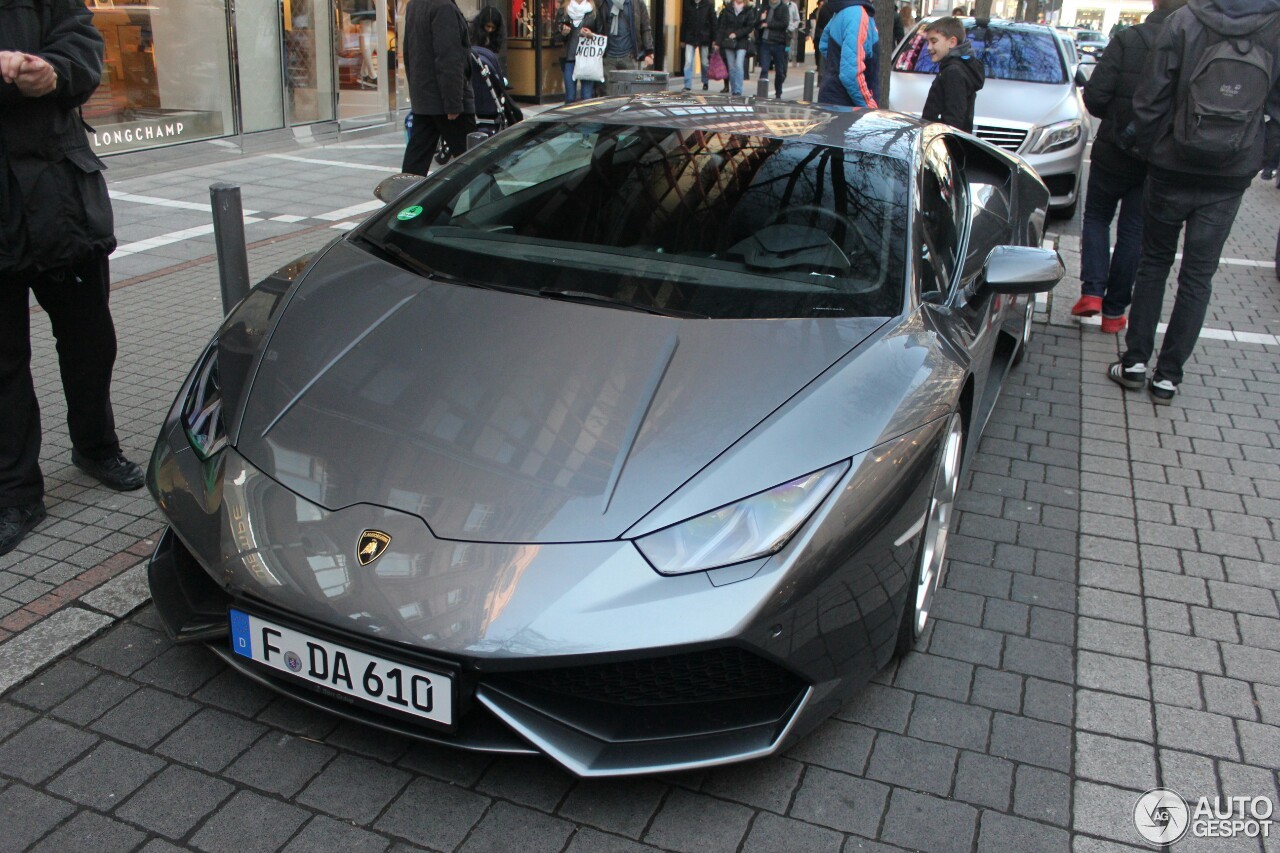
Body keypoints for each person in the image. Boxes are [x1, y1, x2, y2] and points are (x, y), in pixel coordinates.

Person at [1, 0, 147, 556]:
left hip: (62, 199)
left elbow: (85, 51)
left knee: (90, 341)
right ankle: (16, 492)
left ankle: (96, 446)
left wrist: (52, 72)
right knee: (3, 363)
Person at [1109, 0, 1280, 405]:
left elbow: (1151, 96)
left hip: (1173, 163)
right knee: (1199, 276)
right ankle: (1168, 378)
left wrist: (1154, 148)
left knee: (1154, 263)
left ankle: (1134, 363)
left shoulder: (1183, 20)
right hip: (1231, 172)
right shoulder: (1275, 26)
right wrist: (1260, 157)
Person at [1072, 0, 1183, 333]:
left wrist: (1122, 119)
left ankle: (1092, 291)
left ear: (1155, 2)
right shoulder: (1190, 42)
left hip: (1114, 148)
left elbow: (1095, 97)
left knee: (1096, 217)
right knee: (1133, 230)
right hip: (1158, 155)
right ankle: (1114, 312)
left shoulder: (1128, 38)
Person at [402, 0, 476, 174]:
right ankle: (496, 199)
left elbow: (408, 53)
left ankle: (404, 200)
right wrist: (453, 103)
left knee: (414, 165)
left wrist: (417, 93)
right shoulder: (443, 7)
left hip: (425, 101)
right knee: (475, 162)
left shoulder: (414, 5)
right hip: (446, 101)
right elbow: (449, 58)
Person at [920, 16, 984, 131]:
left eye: (934, 41)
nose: (928, 47)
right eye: (927, 42)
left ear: (952, 42)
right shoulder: (952, 68)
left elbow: (953, 120)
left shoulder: (953, 72)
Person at [817, 0, 878, 106]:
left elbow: (824, 44)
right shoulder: (857, 13)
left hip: (833, 96)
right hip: (846, 105)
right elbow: (851, 73)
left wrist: (836, 66)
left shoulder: (844, 10)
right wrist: (868, 104)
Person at [601, 0, 656, 91]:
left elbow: (645, 28)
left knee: (630, 93)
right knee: (609, 95)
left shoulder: (637, 3)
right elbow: (599, 26)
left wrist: (649, 51)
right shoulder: (603, 2)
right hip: (608, 57)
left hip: (629, 56)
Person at [556, 0, 599, 101]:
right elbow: (556, 37)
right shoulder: (564, 9)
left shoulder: (593, 10)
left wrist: (591, 35)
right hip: (570, 58)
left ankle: (586, 117)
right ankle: (571, 117)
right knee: (570, 97)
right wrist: (563, 33)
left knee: (586, 96)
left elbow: (601, 32)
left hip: (587, 58)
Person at [756, 0, 792, 97]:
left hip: (779, 43)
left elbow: (784, 23)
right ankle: (762, 94)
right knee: (764, 69)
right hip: (765, 42)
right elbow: (756, 24)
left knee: (779, 71)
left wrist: (768, 24)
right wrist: (761, 19)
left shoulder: (783, 8)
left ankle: (778, 94)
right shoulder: (765, 7)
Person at [719, 0, 755, 94]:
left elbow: (750, 26)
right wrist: (718, 42)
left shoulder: (748, 10)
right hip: (729, 41)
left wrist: (736, 34)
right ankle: (734, 89)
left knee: (739, 65)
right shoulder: (728, 8)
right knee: (731, 67)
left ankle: (738, 90)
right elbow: (722, 26)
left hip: (742, 41)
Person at [681, 0, 717, 90]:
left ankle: (705, 81)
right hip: (690, 37)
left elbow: (714, 22)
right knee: (688, 62)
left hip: (704, 37)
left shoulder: (708, 5)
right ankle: (687, 85)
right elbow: (684, 21)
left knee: (704, 62)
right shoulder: (688, 4)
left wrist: (714, 39)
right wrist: (682, 39)